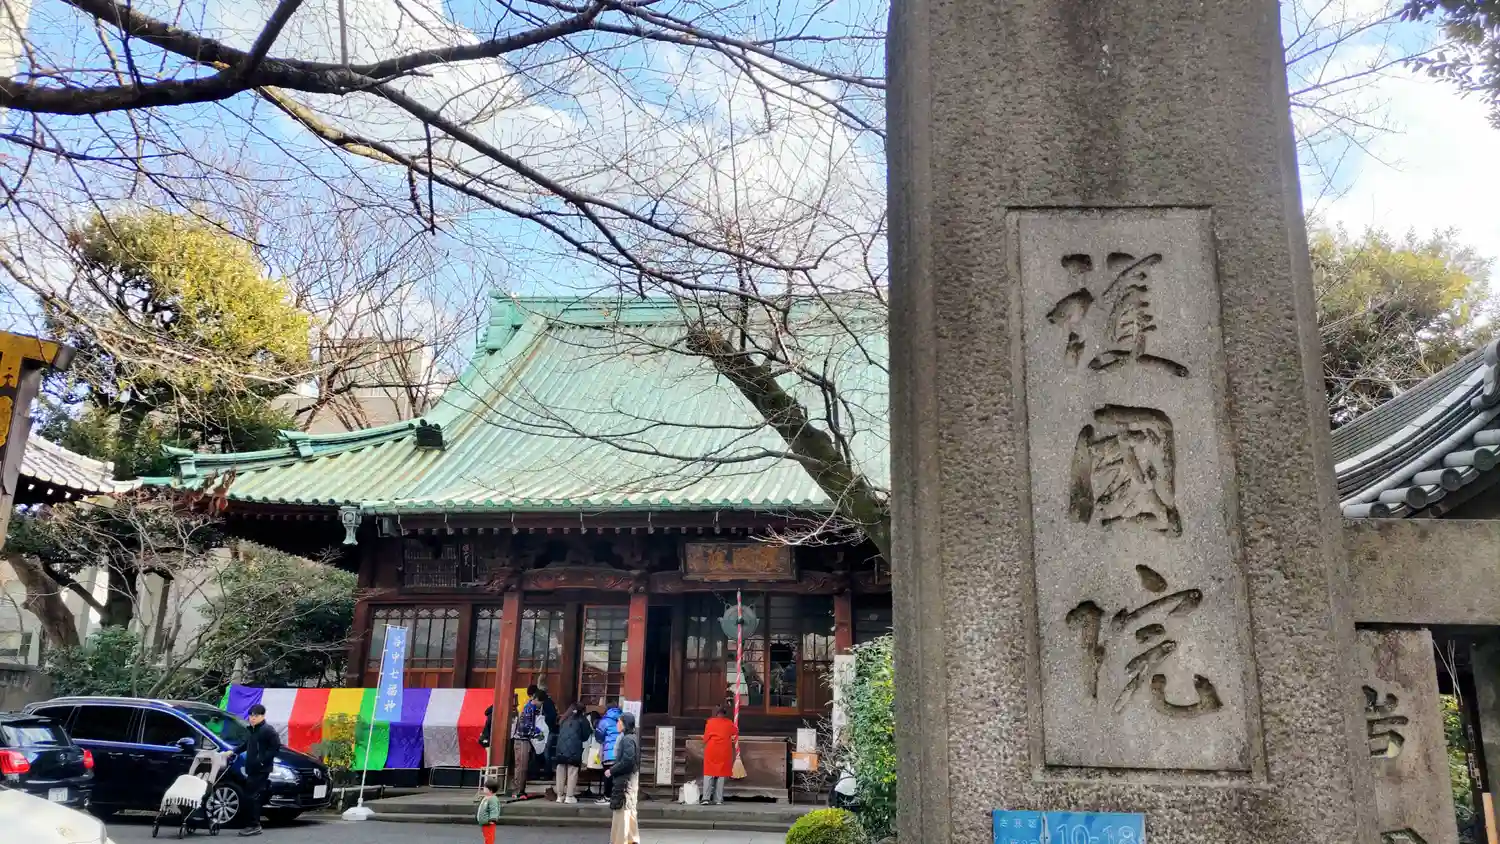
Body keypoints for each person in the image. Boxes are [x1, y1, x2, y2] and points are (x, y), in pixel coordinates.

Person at [237, 703, 281, 837]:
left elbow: (275, 747)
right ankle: (250, 823)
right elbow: (246, 745)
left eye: (255, 716)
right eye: (251, 715)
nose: (252, 718)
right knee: (249, 796)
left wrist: (262, 761)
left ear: (262, 716)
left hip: (261, 770)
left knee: (253, 797)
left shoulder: (267, 730)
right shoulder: (253, 730)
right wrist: (233, 752)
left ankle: (254, 825)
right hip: (251, 768)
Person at [606, 712, 641, 844]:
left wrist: (612, 770)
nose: (617, 724)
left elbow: (627, 760)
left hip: (625, 780)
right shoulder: (632, 738)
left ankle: (622, 840)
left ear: (624, 724)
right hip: (630, 778)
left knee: (623, 811)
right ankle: (632, 838)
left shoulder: (627, 739)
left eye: (619, 722)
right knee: (629, 809)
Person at [553, 703, 591, 804]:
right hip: (574, 748)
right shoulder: (582, 719)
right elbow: (586, 735)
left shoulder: (563, 718)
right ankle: (569, 796)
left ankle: (560, 796)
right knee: (572, 771)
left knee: (560, 771)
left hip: (560, 748)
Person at [700, 705, 737, 805]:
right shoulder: (729, 722)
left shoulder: (710, 722)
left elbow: (705, 738)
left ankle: (706, 798)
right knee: (721, 774)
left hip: (712, 750)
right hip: (724, 751)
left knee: (709, 773)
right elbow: (735, 732)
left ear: (715, 713)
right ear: (724, 714)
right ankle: (718, 799)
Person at [511, 686, 543, 796]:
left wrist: (537, 731)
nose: (541, 705)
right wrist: (536, 734)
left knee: (521, 766)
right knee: (521, 767)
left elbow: (529, 725)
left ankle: (519, 790)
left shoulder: (529, 707)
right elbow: (526, 727)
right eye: (541, 702)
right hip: (522, 740)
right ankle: (518, 791)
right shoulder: (530, 708)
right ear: (537, 699)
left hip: (522, 739)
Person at [593, 702, 623, 805]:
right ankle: (617, 796)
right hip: (620, 752)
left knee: (608, 774)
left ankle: (607, 797)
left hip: (609, 752)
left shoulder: (605, 721)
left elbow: (599, 735)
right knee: (618, 775)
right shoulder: (622, 719)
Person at [537, 688, 560, 778]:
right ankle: (546, 772)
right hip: (549, 730)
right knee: (546, 751)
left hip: (547, 730)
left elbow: (551, 716)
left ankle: (547, 772)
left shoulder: (546, 704)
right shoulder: (550, 703)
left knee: (546, 751)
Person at [476, 778, 502, 844]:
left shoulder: (492, 799)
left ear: (490, 790)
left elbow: (494, 809)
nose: (484, 788)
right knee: (486, 836)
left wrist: (492, 819)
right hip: (485, 822)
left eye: (485, 788)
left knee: (489, 837)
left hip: (489, 823)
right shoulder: (486, 798)